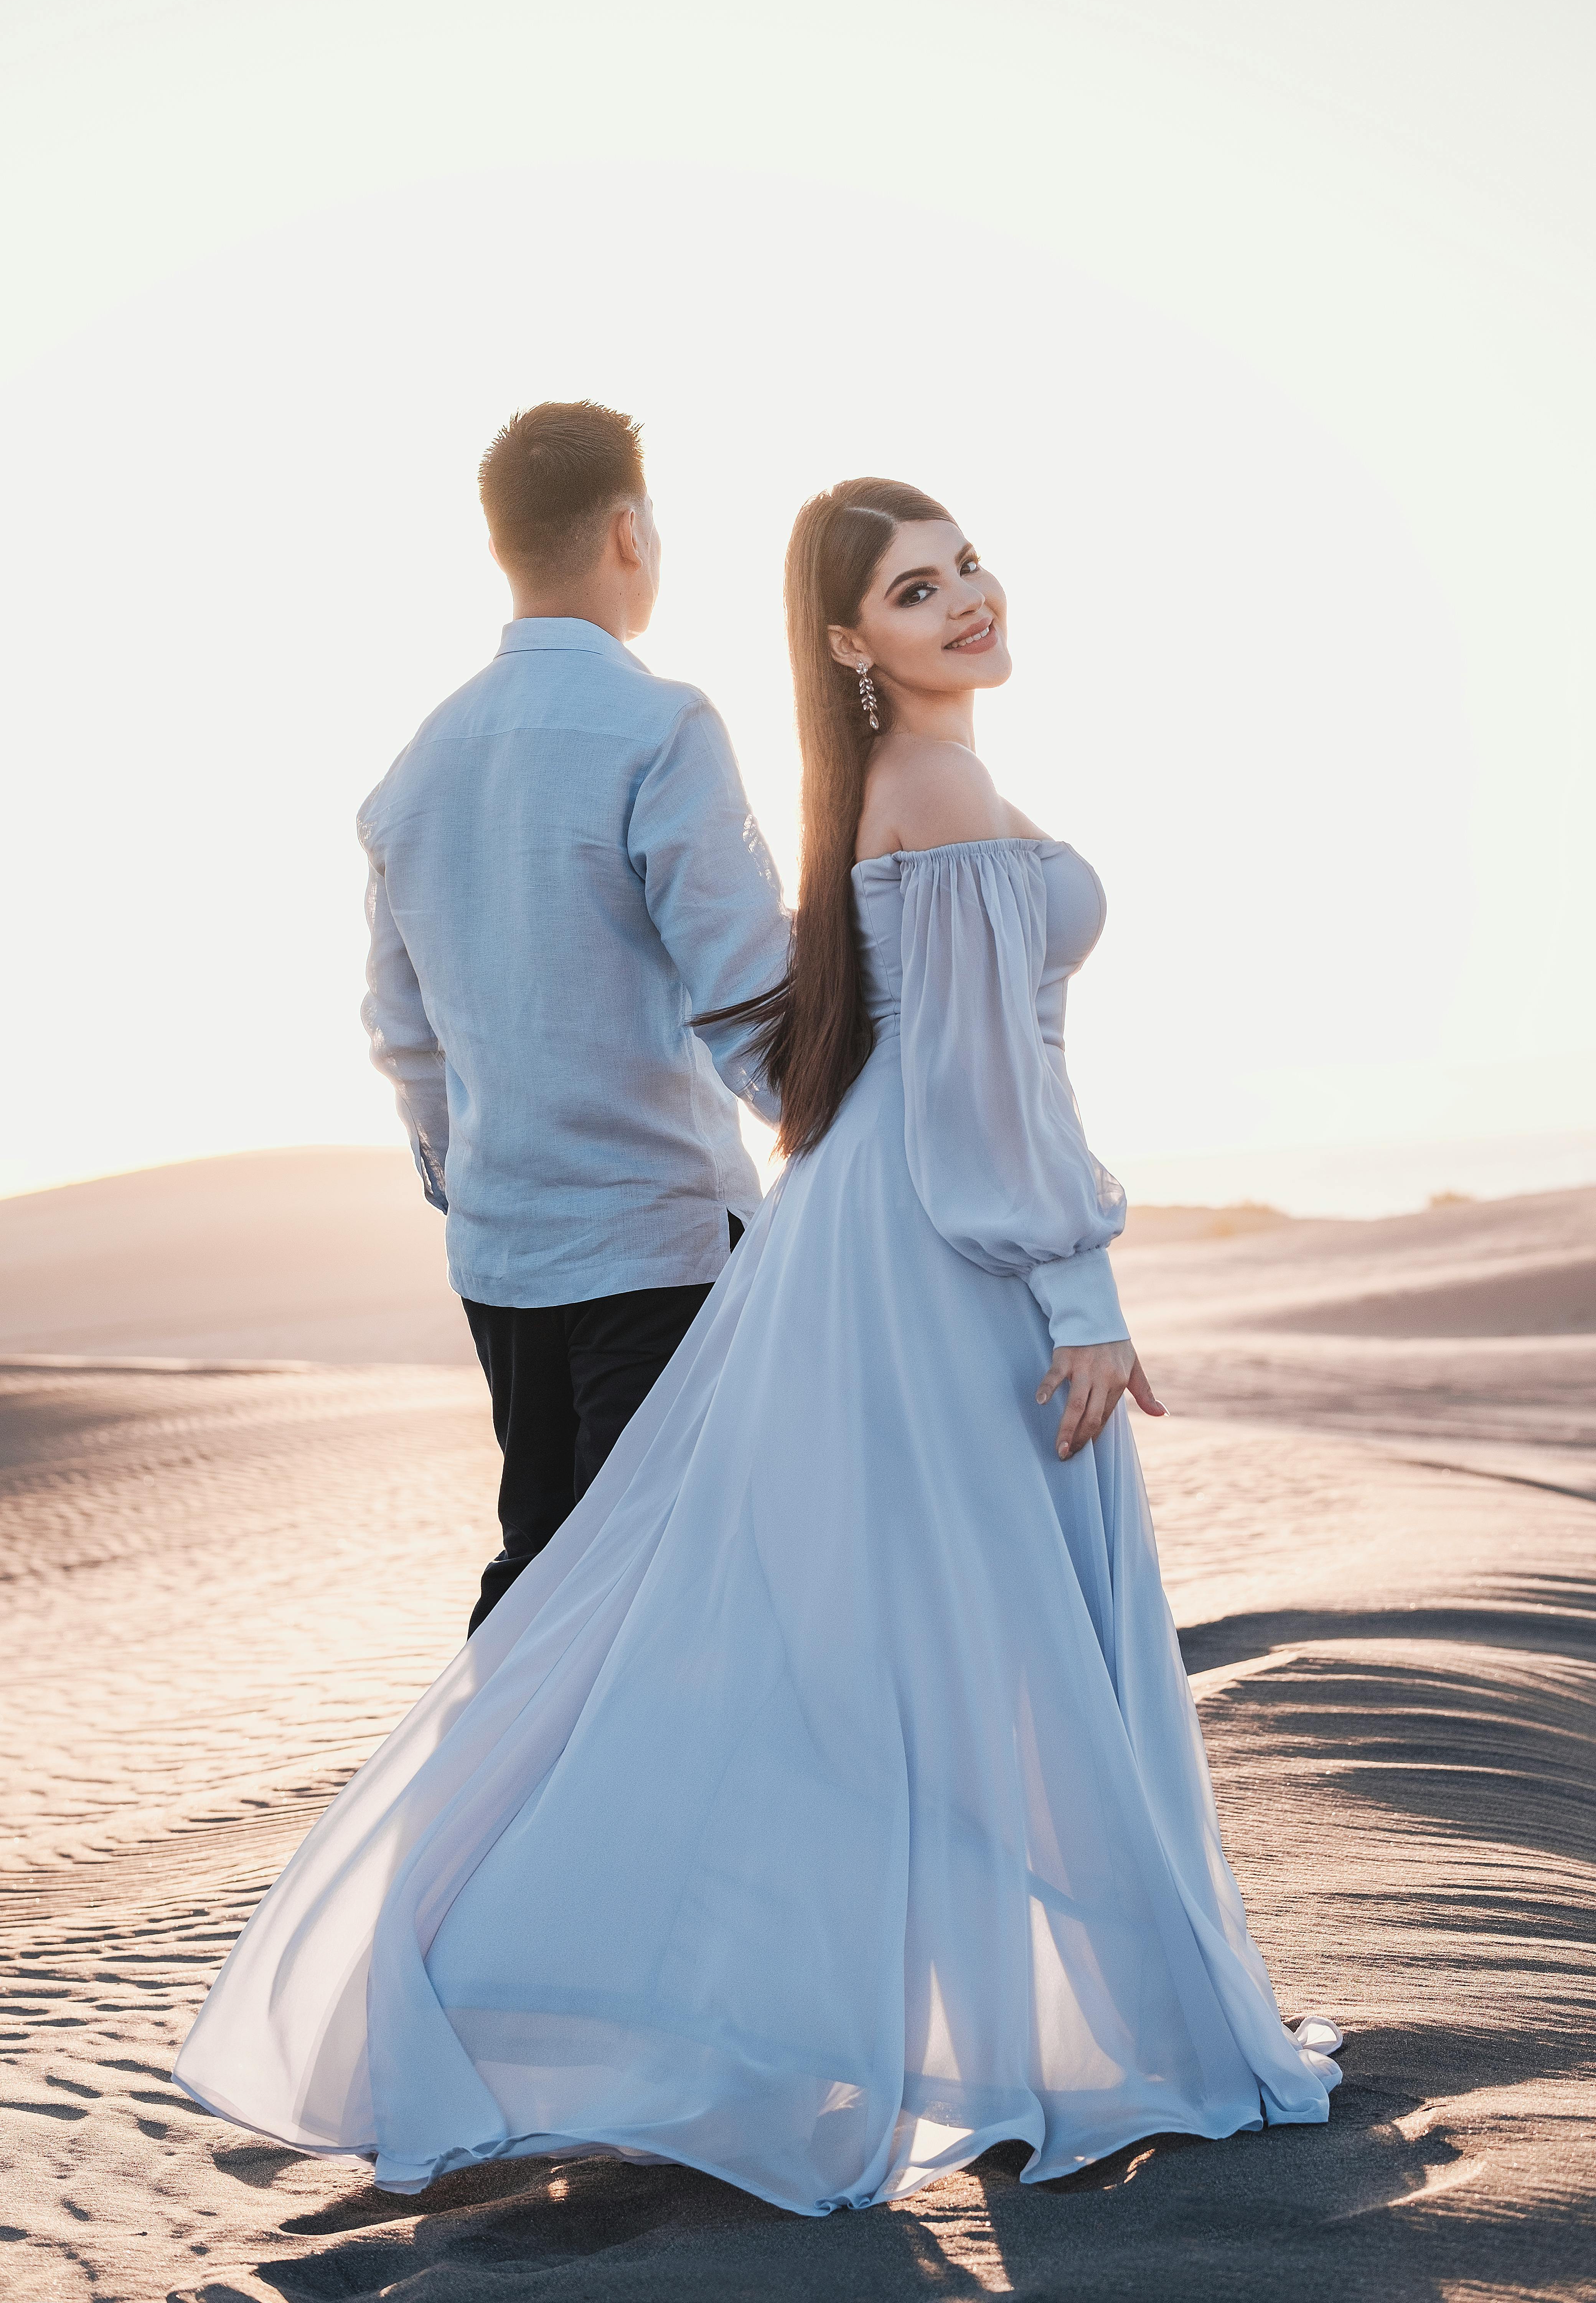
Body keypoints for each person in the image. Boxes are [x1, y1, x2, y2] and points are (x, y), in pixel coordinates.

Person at [176, 475, 1341, 2213]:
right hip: (937, 1251)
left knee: (848, 1638)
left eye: (966, 568)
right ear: (843, 641)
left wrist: (492, 1169)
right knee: (955, 1643)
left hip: (787, 1229)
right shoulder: (927, 783)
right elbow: (978, 1088)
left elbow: (440, 1028)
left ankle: (972, 2026)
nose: (963, 602)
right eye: (913, 590)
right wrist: (1081, 1291)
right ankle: (962, 2028)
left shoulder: (847, 777)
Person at [355, 400, 788, 1631]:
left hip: (503, 1255)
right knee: (663, 1599)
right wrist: (843, 1125)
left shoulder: (414, 767)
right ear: (627, 530)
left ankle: (481, 1813)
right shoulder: (662, 726)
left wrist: (481, 1176)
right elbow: (747, 995)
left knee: (544, 1570)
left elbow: (404, 1034)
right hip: (660, 1241)